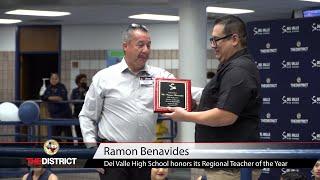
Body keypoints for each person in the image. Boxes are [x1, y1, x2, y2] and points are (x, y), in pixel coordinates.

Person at [79, 23, 202, 180]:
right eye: (140, 45)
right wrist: (92, 149)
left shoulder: (159, 76)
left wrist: (219, 94)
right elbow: (87, 116)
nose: (145, 50)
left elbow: (189, 92)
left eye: (148, 45)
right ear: (125, 46)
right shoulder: (104, 77)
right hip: (113, 153)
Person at [163, 15, 262, 180]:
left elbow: (225, 116)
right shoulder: (230, 67)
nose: (213, 46)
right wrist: (196, 108)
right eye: (212, 40)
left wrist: (185, 116)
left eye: (217, 40)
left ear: (234, 39)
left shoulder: (238, 70)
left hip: (231, 168)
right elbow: (222, 107)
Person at [41, 73, 72, 140]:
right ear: (50, 79)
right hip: (54, 116)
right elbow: (43, 97)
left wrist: (49, 98)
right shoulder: (48, 88)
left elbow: (60, 98)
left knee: (68, 135)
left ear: (58, 79)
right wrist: (51, 98)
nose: (54, 80)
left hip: (64, 115)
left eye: (56, 78)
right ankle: (57, 150)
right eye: (52, 78)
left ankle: (71, 149)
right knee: (55, 136)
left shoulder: (62, 87)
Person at [70, 73, 88, 140]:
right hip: (77, 114)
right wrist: (80, 94)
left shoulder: (89, 89)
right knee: (78, 131)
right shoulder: (75, 91)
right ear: (78, 82)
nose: (84, 82)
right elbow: (72, 101)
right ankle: (79, 147)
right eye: (82, 80)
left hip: (87, 115)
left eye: (85, 80)